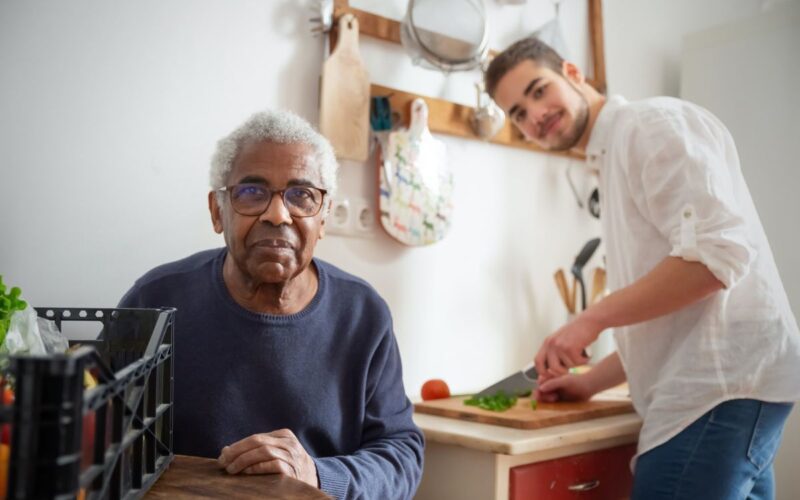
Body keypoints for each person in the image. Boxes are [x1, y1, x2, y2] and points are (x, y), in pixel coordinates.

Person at [484, 37, 800, 499]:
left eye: (537, 91)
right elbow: (674, 316)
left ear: (573, 73)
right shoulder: (615, 155)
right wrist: (591, 381)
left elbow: (716, 259)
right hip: (730, 392)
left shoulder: (649, 126)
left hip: (718, 394)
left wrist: (591, 319)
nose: (533, 115)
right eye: (516, 113)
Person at [119, 109, 424, 500]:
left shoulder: (363, 315)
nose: (277, 214)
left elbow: (401, 455)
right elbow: (103, 437)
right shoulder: (155, 301)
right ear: (217, 211)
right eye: (251, 193)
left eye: (301, 196)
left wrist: (314, 473)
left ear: (325, 216)